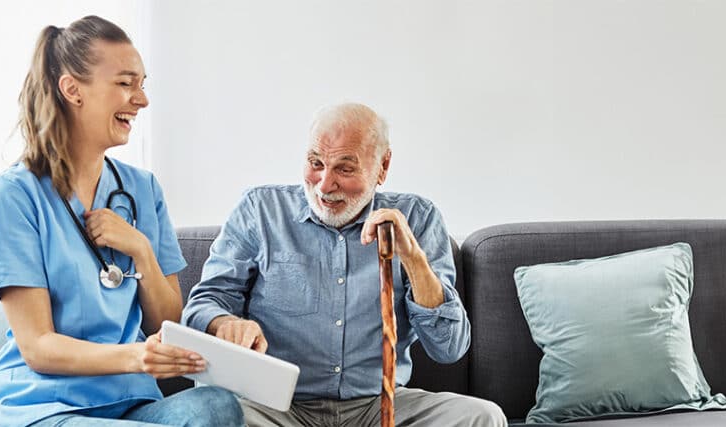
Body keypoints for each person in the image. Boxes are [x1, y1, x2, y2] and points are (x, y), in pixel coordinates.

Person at [0, 16, 244, 427]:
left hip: (130, 405)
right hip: (46, 407)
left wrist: (141, 250)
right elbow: (38, 347)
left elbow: (165, 323)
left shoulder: (142, 189)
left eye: (142, 84)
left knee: (217, 406)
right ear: (72, 90)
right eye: (125, 83)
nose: (142, 99)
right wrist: (136, 356)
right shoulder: (13, 196)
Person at [182, 103, 507, 426]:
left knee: (482, 417)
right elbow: (203, 304)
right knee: (213, 415)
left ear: (383, 166)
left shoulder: (418, 218)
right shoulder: (260, 210)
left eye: (345, 169)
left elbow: (449, 348)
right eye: (316, 163)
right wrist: (223, 322)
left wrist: (412, 258)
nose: (324, 185)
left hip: (379, 407)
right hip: (277, 408)